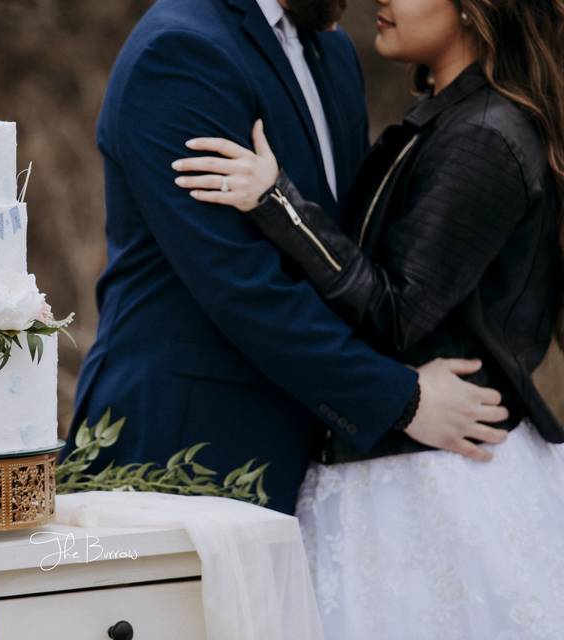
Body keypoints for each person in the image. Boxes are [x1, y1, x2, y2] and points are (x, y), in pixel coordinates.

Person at [173, 0, 564, 635]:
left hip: (442, 484)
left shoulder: (486, 135)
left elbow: (398, 313)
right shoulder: (450, 120)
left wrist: (279, 204)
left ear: (473, 9)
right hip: (407, 468)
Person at [61, 0, 506, 515]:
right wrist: (398, 399)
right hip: (181, 444)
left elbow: (340, 250)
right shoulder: (182, 51)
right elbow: (239, 281)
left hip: (307, 448)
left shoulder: (333, 51)